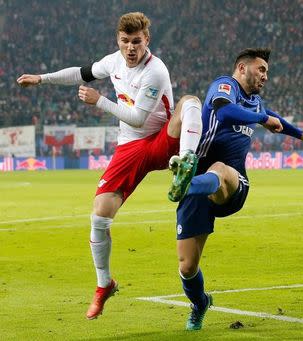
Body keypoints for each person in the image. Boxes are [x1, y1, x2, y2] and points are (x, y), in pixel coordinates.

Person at [17, 12, 203, 320]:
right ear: (118, 41)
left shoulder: (155, 70)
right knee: (99, 217)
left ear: (147, 41)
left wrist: (98, 101)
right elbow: (81, 72)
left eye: (137, 42)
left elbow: (139, 119)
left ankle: (186, 160)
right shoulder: (113, 61)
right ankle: (105, 284)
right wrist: (43, 78)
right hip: (129, 147)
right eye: (125, 41)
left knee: (191, 101)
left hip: (161, 140)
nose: (131, 48)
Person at [169, 48, 303, 330]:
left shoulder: (256, 103)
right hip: (202, 192)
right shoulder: (224, 86)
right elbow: (226, 113)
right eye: (261, 69)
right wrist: (263, 119)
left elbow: (272, 116)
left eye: (267, 71)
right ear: (242, 68)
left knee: (220, 169)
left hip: (233, 183)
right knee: (187, 266)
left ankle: (186, 184)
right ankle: (201, 303)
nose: (265, 75)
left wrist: (299, 133)